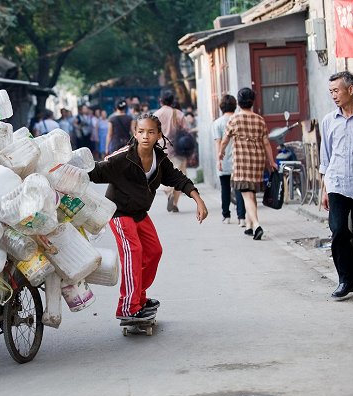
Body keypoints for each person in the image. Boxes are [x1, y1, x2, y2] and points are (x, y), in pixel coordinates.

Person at [88, 113, 208, 322]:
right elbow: (95, 171)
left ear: (159, 135)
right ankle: (128, 306)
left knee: (154, 252)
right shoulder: (122, 158)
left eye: (151, 132)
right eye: (141, 132)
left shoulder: (160, 160)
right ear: (135, 133)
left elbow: (178, 178)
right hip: (118, 212)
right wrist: (64, 171)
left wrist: (198, 199)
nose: (145, 136)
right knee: (133, 252)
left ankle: (139, 298)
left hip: (139, 213)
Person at [219, 87, 277, 241]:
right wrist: (271, 162)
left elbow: (225, 139)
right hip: (257, 161)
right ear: (252, 101)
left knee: (246, 195)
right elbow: (266, 143)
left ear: (239, 102)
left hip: (241, 161)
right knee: (250, 193)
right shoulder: (260, 119)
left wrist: (221, 152)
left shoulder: (234, 119)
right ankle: (250, 227)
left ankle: (257, 225)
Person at [320, 71, 353, 300]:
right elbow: (326, 157)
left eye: (336, 90)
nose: (333, 95)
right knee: (339, 232)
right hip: (337, 184)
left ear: (350, 90)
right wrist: (324, 189)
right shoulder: (328, 121)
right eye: (331, 91)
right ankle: (345, 280)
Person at [213, 95, 246, 226]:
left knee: (225, 188)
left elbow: (218, 143)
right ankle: (241, 217)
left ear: (221, 107)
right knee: (239, 189)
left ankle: (226, 216)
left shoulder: (218, 123)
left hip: (224, 160)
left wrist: (218, 160)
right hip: (239, 159)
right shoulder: (239, 119)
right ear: (235, 105)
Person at [153, 91, 188, 213]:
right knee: (179, 177)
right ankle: (174, 203)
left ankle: (169, 193)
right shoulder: (178, 114)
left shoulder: (155, 115)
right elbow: (186, 132)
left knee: (163, 175)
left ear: (161, 101)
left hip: (161, 150)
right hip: (179, 150)